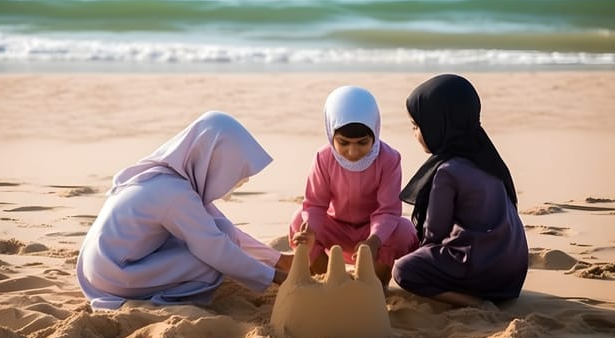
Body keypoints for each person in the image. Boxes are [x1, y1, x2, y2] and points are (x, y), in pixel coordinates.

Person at [76, 111, 292, 310]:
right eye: (235, 171)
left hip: (98, 266)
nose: (239, 181)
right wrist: (275, 277)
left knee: (221, 231)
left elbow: (224, 231)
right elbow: (216, 249)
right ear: (214, 161)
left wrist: (277, 259)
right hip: (114, 275)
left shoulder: (166, 177)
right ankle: (164, 301)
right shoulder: (175, 194)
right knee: (210, 264)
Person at [392, 74, 528, 308]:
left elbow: (434, 234)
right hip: (514, 272)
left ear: (439, 124)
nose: (414, 134)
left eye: (417, 126)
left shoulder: (447, 171)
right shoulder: (489, 159)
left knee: (402, 269)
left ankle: (473, 303)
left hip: (484, 271)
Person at [290, 85, 419, 287]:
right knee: (299, 221)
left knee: (404, 230)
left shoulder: (389, 159)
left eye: (362, 142)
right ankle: (331, 283)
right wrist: (310, 230)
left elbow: (388, 209)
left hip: (373, 233)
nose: (352, 151)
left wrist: (375, 240)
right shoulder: (324, 158)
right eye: (344, 142)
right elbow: (315, 204)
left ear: (375, 133)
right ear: (331, 133)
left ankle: (373, 286)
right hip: (335, 229)